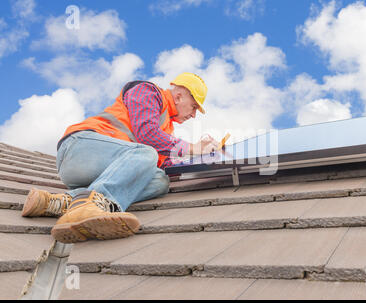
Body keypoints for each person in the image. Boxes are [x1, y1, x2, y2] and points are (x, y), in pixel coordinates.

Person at [21, 72, 219, 244]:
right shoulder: (148, 92)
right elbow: (147, 134)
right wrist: (193, 148)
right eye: (194, 107)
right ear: (178, 97)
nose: (194, 115)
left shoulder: (166, 127)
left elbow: (163, 166)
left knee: (160, 180)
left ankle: (59, 202)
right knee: (146, 153)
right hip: (78, 148)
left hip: (99, 169)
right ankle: (95, 205)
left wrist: (209, 160)